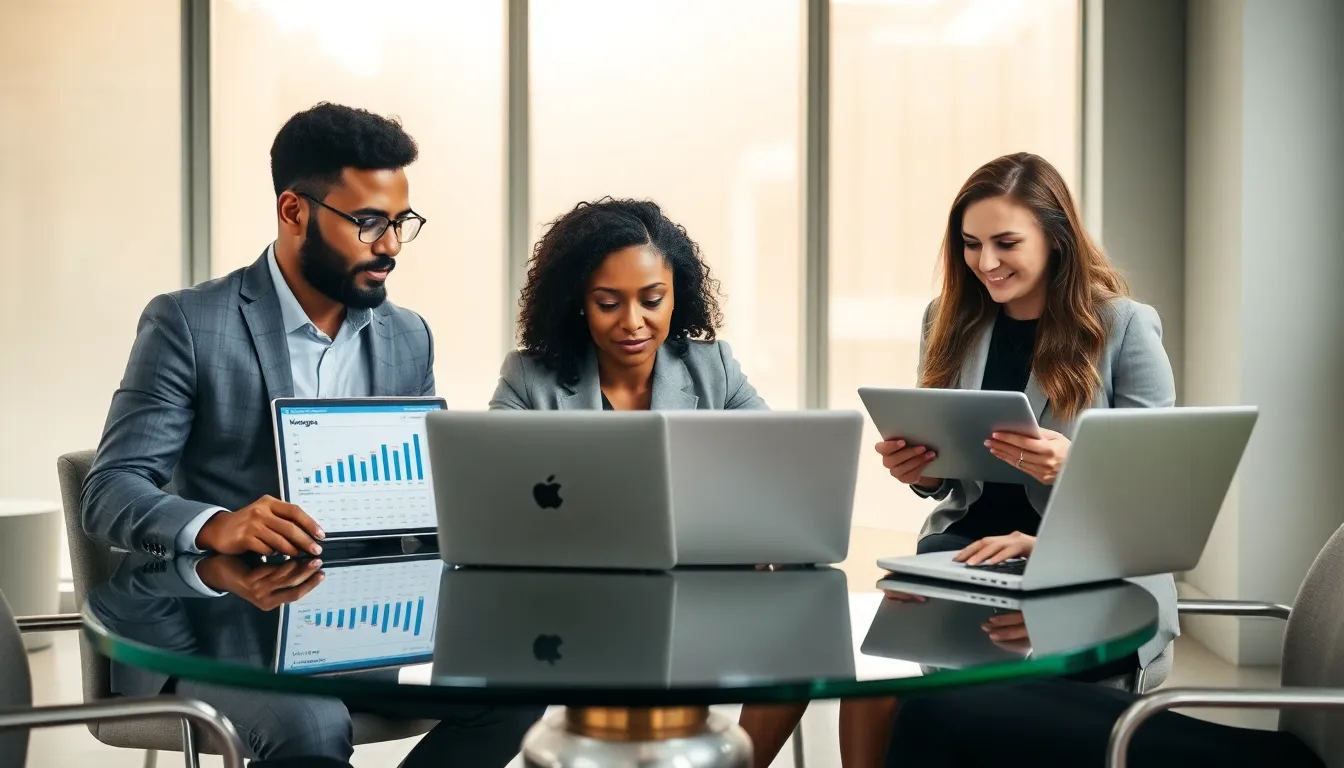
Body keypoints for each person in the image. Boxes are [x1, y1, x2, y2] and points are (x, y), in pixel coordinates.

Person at [81, 102, 539, 764]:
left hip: (364, 627)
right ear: (295, 212)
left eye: (400, 223)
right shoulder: (188, 322)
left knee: (517, 689)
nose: (388, 245)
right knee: (312, 728)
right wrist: (218, 524)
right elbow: (111, 490)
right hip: (217, 635)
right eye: (369, 222)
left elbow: (407, 496)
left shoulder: (407, 335)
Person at [739, 152, 1180, 767]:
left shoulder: (1124, 326)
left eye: (1006, 243)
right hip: (967, 551)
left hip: (1089, 565)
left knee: (950, 704)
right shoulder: (949, 319)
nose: (987, 263)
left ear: (1056, 237)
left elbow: (1162, 489)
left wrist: (1075, 470)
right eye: (971, 244)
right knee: (884, 688)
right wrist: (922, 469)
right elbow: (949, 474)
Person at [489, 197, 766, 411]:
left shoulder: (717, 372)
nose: (632, 322)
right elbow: (489, 475)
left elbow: (775, 458)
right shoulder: (527, 381)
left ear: (675, 298)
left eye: (651, 301)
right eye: (608, 304)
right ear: (579, 302)